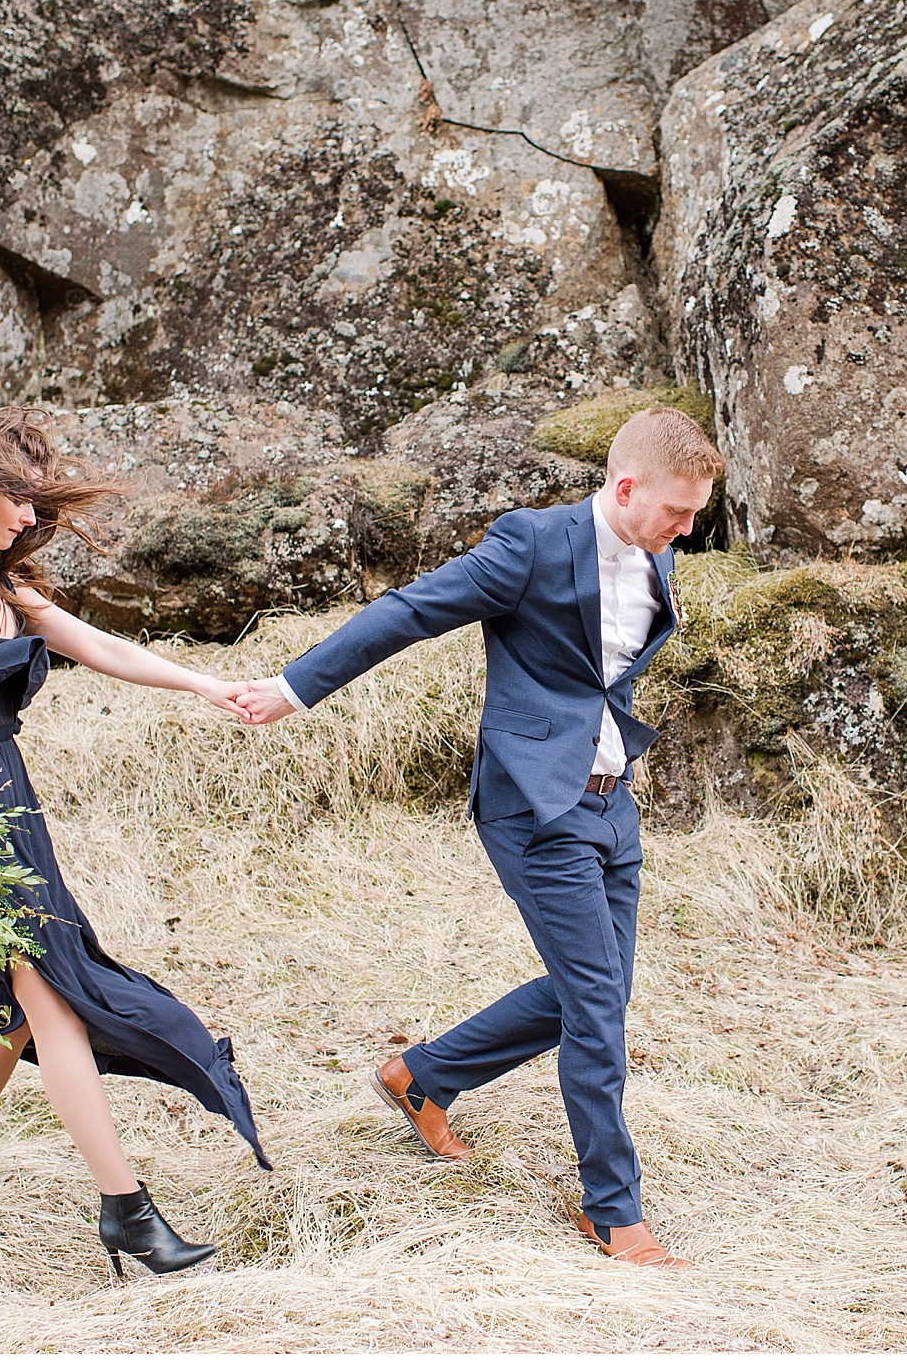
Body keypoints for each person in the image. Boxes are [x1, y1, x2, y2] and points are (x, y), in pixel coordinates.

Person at [232, 405, 722, 1268]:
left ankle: (425, 1075)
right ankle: (612, 1210)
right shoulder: (532, 546)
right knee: (598, 1011)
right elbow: (409, 613)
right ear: (625, 485)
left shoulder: (658, 552)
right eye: (677, 512)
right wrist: (293, 686)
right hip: (537, 808)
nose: (686, 530)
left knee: (595, 993)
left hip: (614, 804)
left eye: (694, 517)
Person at [0, 405, 271, 1277]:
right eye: (18, 500)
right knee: (52, 996)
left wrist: (208, 686)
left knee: (13, 1009)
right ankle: (126, 1208)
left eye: (37, 505)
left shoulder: (10, 591)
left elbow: (103, 648)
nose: (29, 519)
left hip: (10, 801)